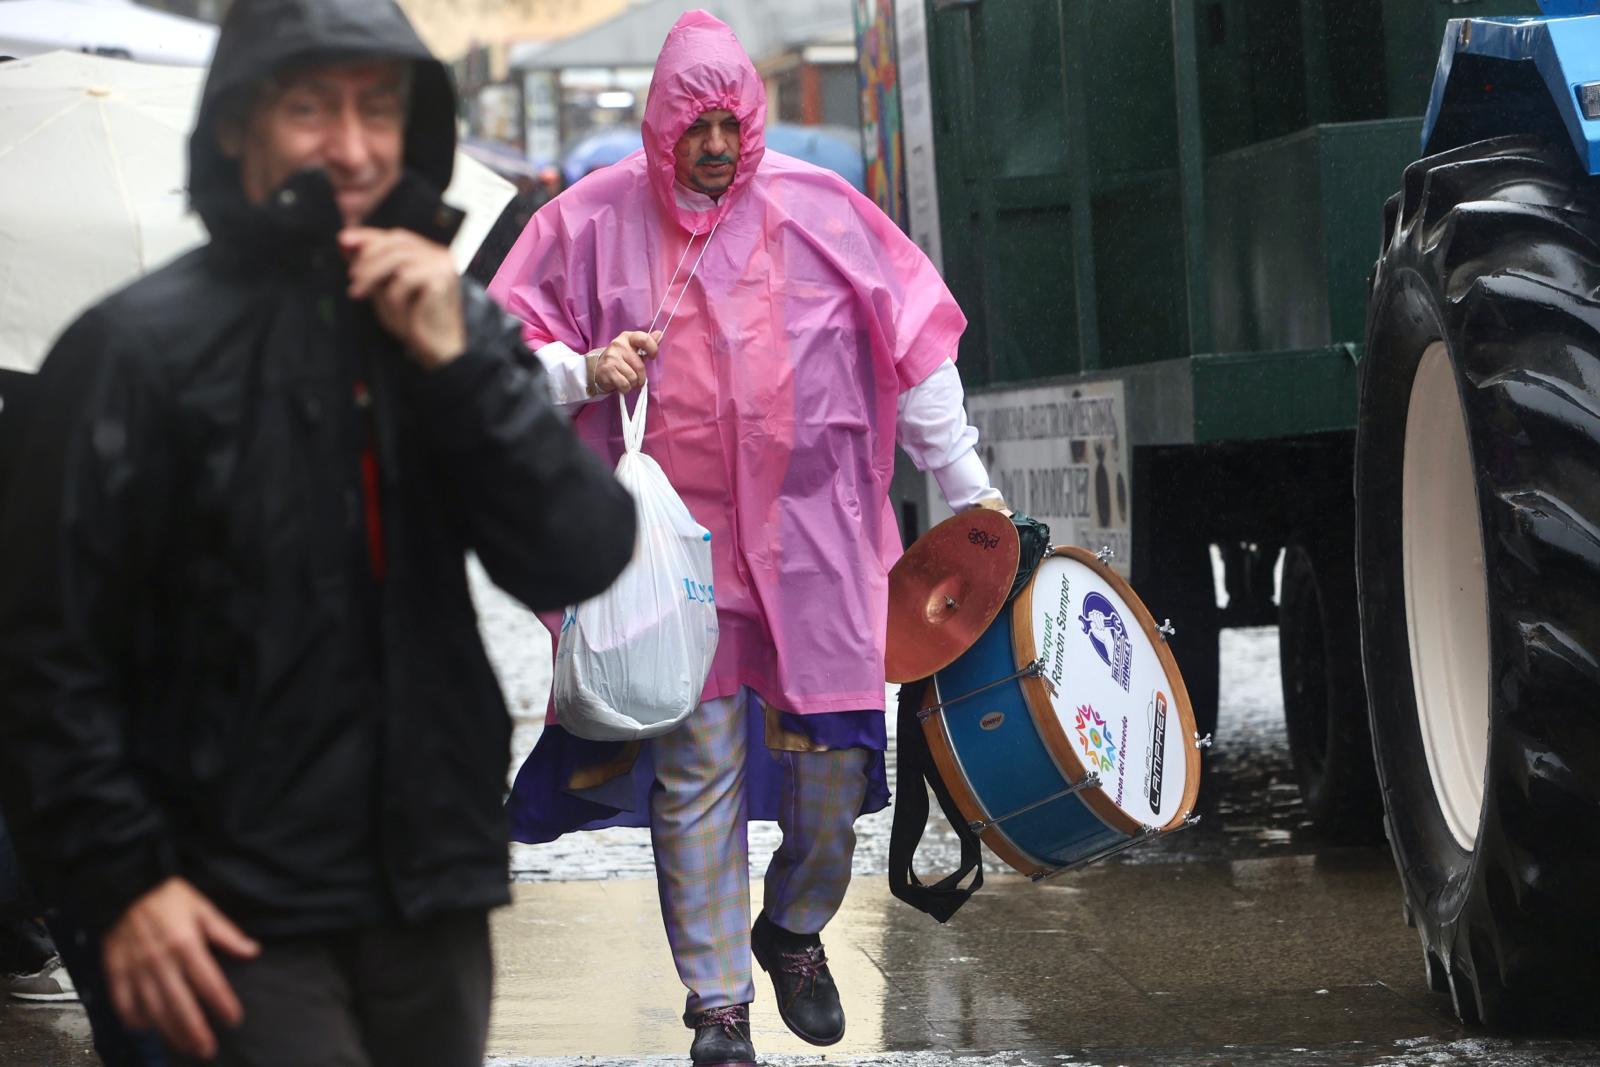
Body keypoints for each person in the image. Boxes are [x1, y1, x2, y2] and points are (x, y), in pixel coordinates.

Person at [0, 0, 636, 1064]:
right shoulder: (131, 352)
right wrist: (124, 885)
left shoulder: (449, 327)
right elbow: (44, 656)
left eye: (377, 108)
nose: (350, 143)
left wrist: (461, 367)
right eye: (310, 108)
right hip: (223, 899)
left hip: (426, 884)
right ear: (242, 124)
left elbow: (577, 549)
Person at [488, 12, 1003, 1066]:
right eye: (697, 126)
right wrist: (582, 371)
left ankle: (794, 928)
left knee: (835, 775)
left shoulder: (824, 215)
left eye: (732, 123)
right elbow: (491, 363)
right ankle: (717, 1003)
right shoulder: (586, 226)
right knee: (696, 776)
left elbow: (917, 350)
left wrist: (970, 495)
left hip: (817, 549)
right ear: (660, 127)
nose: (717, 145)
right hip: (671, 568)